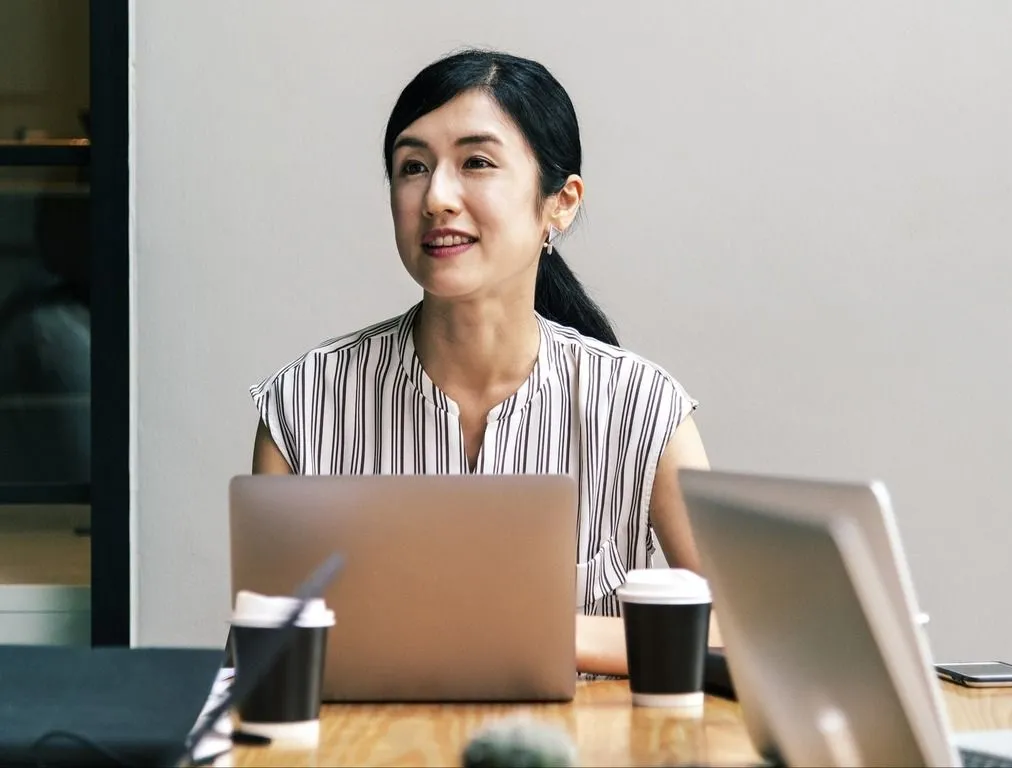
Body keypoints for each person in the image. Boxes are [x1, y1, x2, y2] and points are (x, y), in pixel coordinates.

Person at [249, 49, 710, 677]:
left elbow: (737, 633)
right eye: (413, 167)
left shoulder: (643, 409)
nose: (437, 196)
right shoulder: (303, 404)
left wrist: (533, 629)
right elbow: (266, 657)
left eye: (477, 163)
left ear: (561, 203)